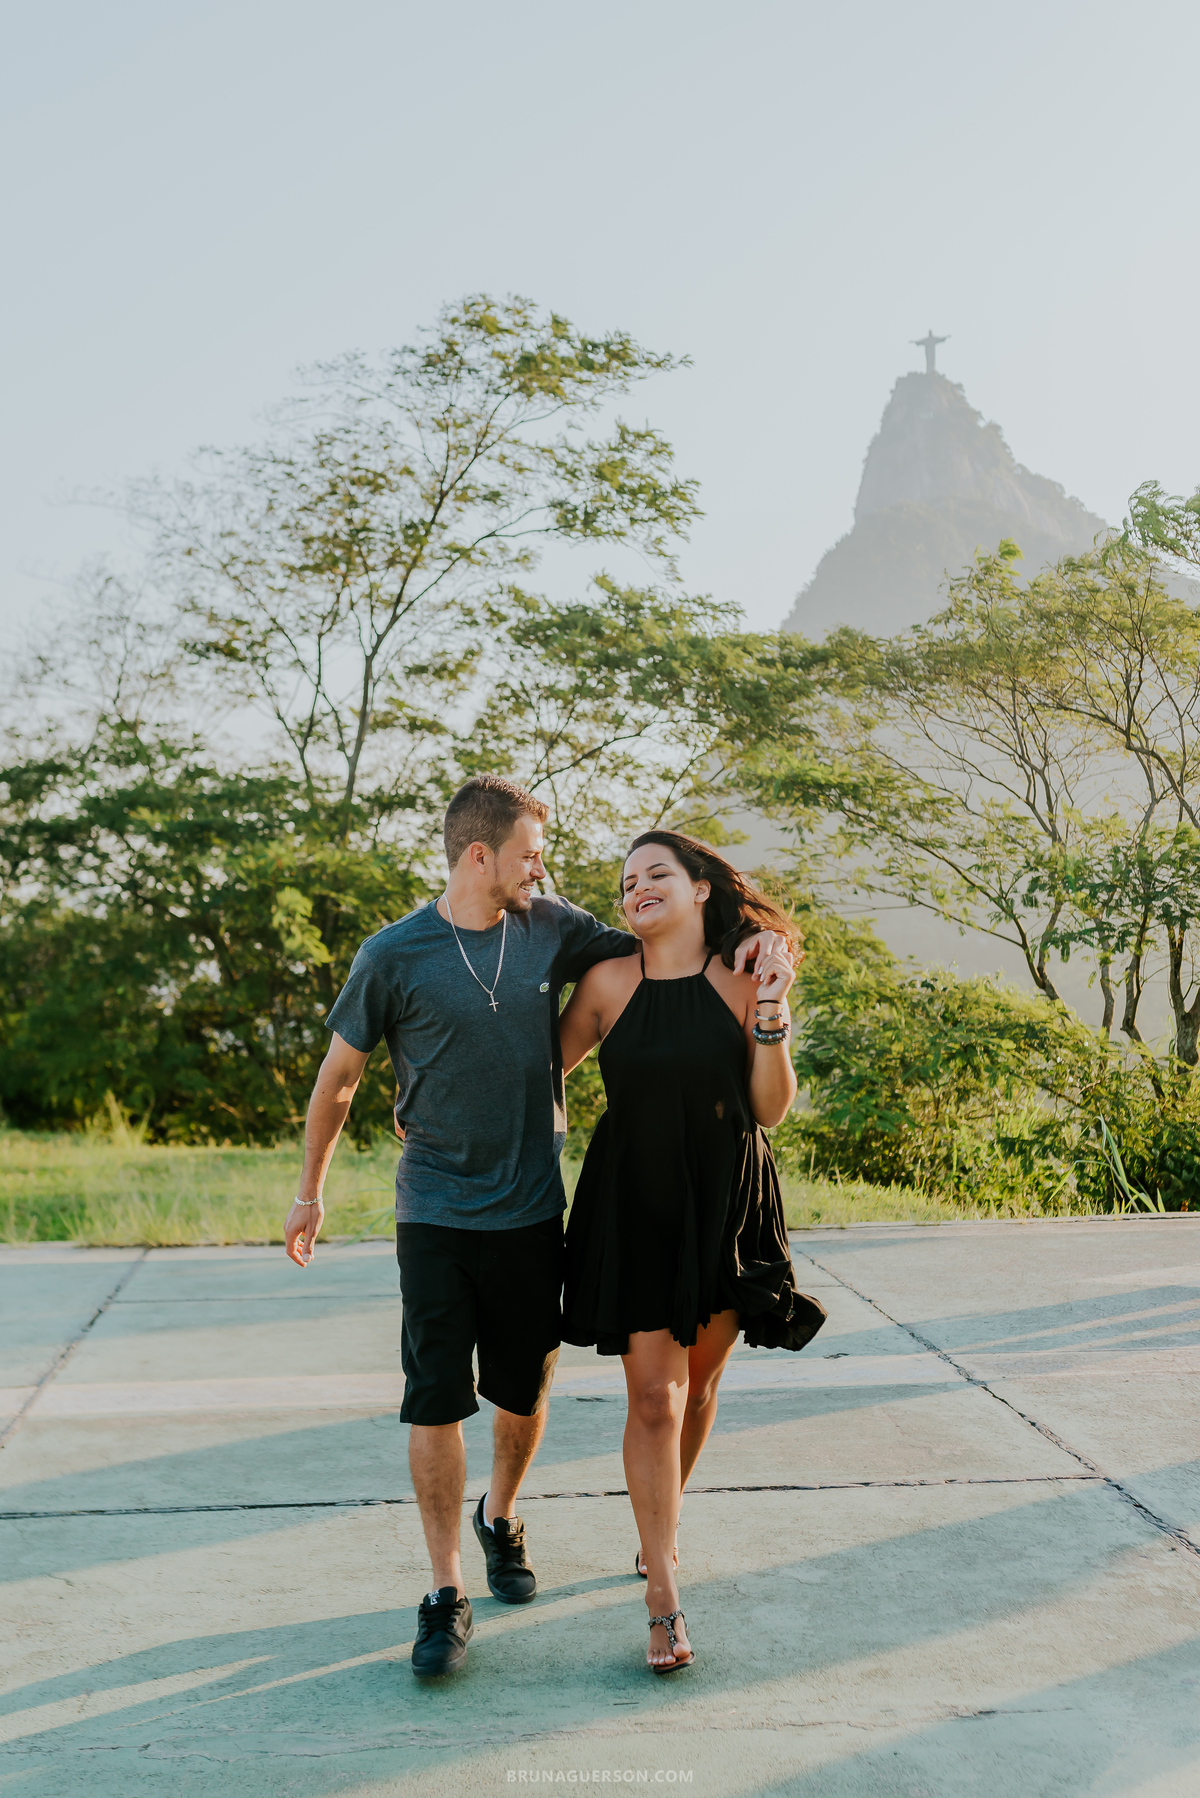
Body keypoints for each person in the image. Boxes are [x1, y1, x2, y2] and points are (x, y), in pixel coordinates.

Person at [282, 778, 793, 1678]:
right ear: (481, 855)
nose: (547, 870)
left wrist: (768, 951)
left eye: (652, 876)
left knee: (598, 1392)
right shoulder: (427, 958)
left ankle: (546, 1517)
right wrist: (342, 1166)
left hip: (623, 1205)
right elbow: (378, 1075)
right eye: (530, 854)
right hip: (515, 1204)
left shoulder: (574, 930)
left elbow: (736, 1045)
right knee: (510, 1394)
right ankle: (504, 1592)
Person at [558, 831, 827, 1674]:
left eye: (657, 874)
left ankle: (658, 1528)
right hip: (634, 1201)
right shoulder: (606, 983)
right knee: (653, 1401)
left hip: (725, 1199)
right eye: (627, 880)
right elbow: (540, 1072)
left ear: (702, 886)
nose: (637, 888)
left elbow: (769, 1107)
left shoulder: (746, 974)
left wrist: (774, 1007)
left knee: (702, 1383)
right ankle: (663, 1592)